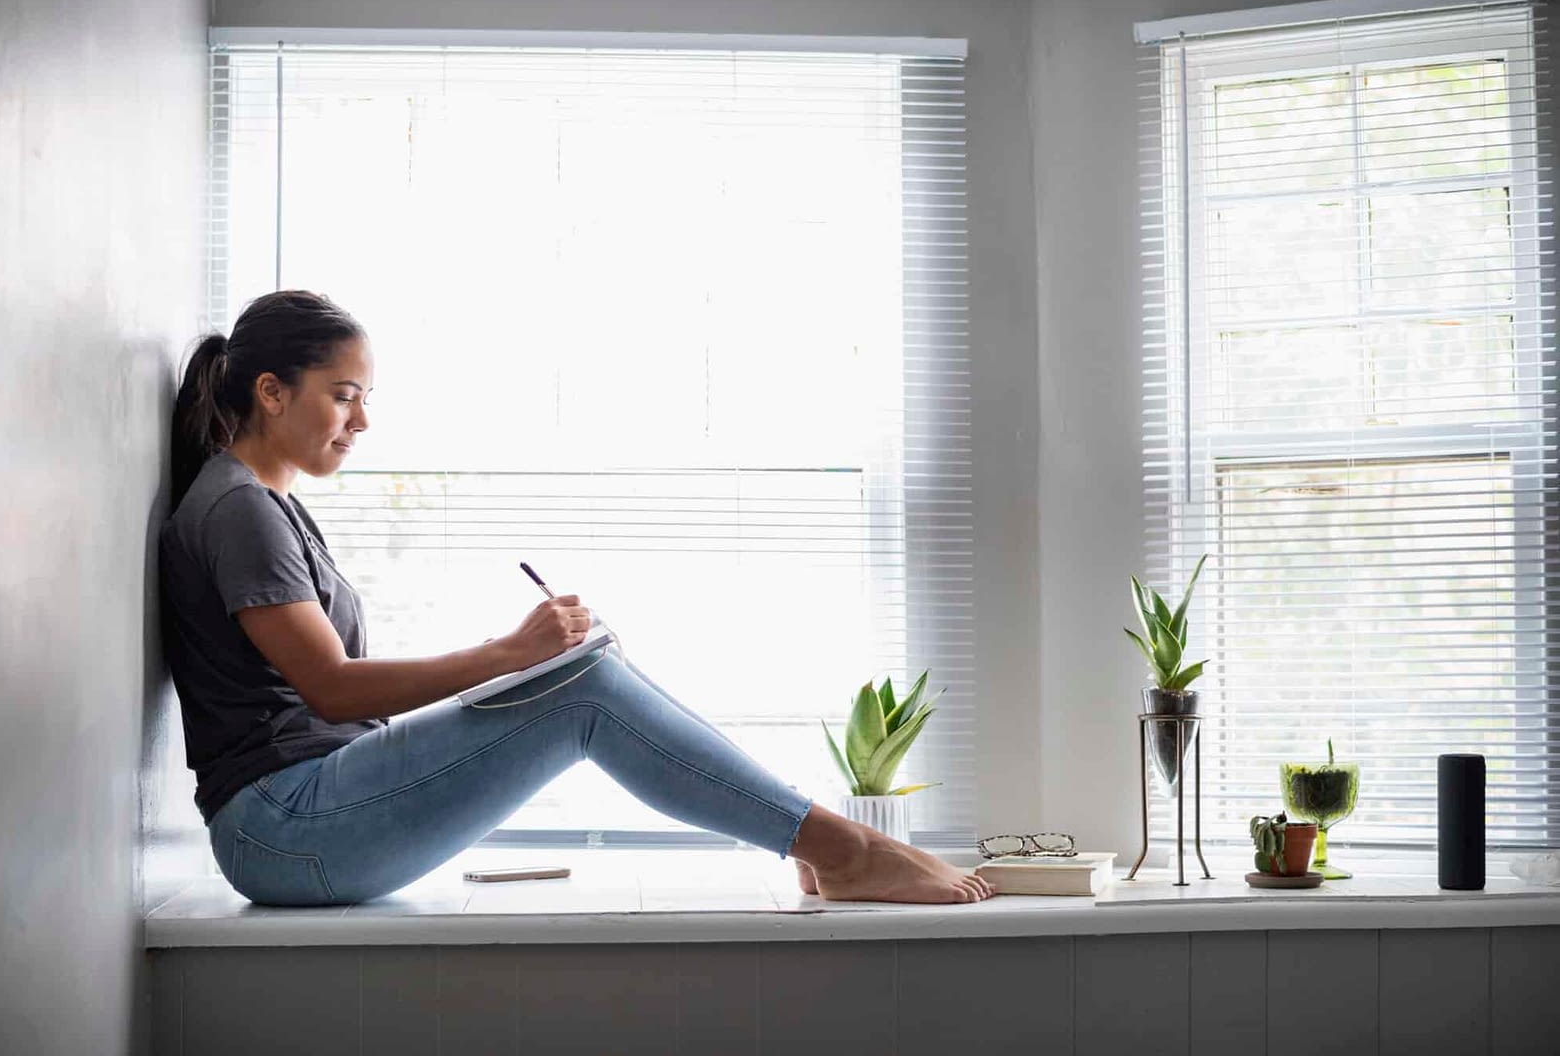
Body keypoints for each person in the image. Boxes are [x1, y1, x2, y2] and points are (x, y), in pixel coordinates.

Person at [159, 289, 994, 907]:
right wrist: (511, 657)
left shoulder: (266, 505)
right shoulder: (238, 510)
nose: (363, 420)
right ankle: (840, 847)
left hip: (303, 817)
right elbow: (331, 687)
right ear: (271, 392)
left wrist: (516, 672)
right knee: (581, 690)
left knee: (581, 671)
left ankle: (824, 846)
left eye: (366, 398)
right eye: (344, 395)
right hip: (281, 832)